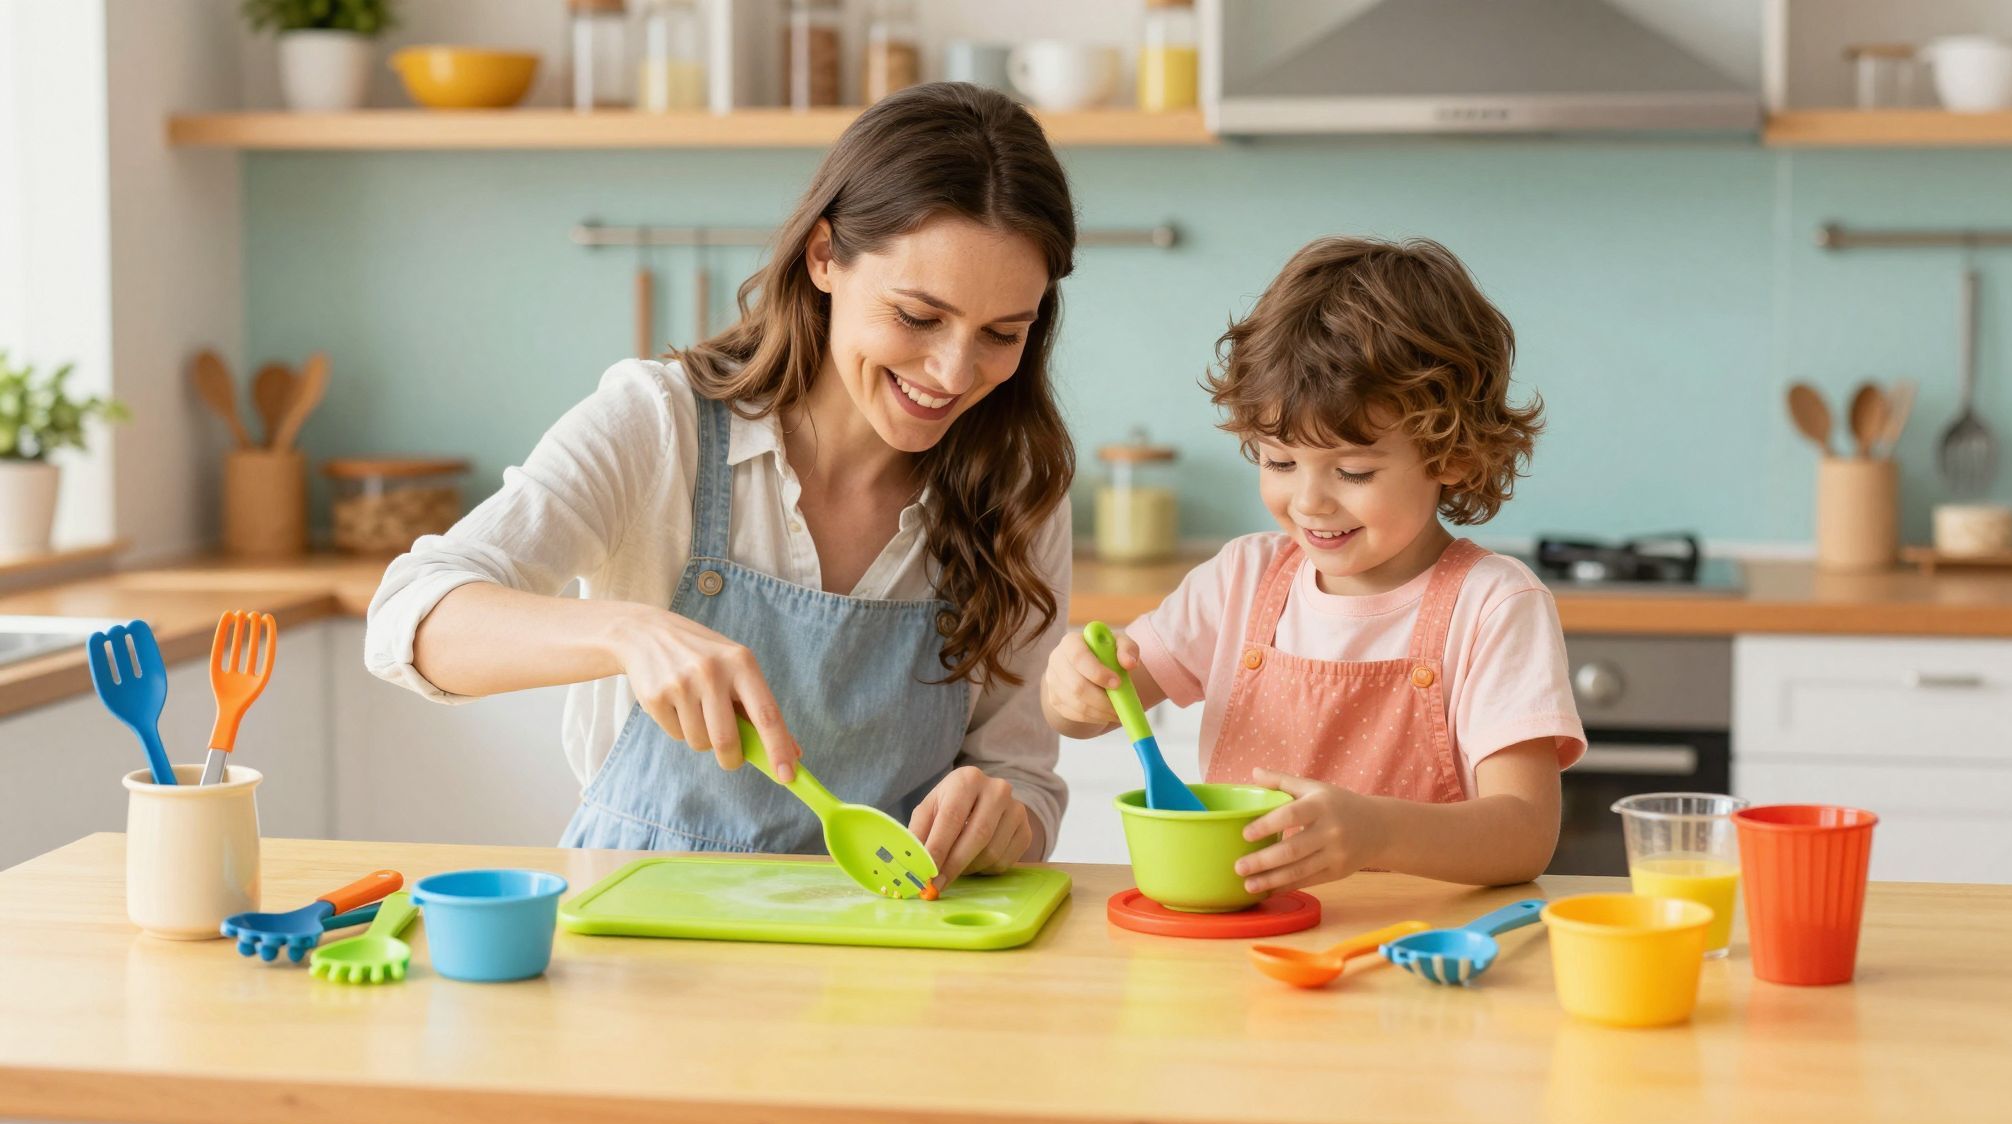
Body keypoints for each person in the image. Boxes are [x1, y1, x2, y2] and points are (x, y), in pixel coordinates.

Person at [366, 84, 1078, 891]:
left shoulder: (1017, 491)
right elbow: (408, 617)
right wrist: (625, 634)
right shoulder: (658, 425)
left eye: (1001, 334)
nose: (953, 372)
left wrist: (1001, 818)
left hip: (882, 960)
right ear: (823, 257)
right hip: (639, 944)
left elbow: (1027, 783)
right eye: (918, 317)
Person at [1042, 237, 1584, 891]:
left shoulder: (1493, 605)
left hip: (1411, 958)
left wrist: (1379, 833)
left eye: (1353, 471)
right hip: (1248, 948)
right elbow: (1091, 714)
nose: (1309, 501)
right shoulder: (1240, 580)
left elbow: (1525, 834)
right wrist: (1075, 689)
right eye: (1280, 462)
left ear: (1452, 456)